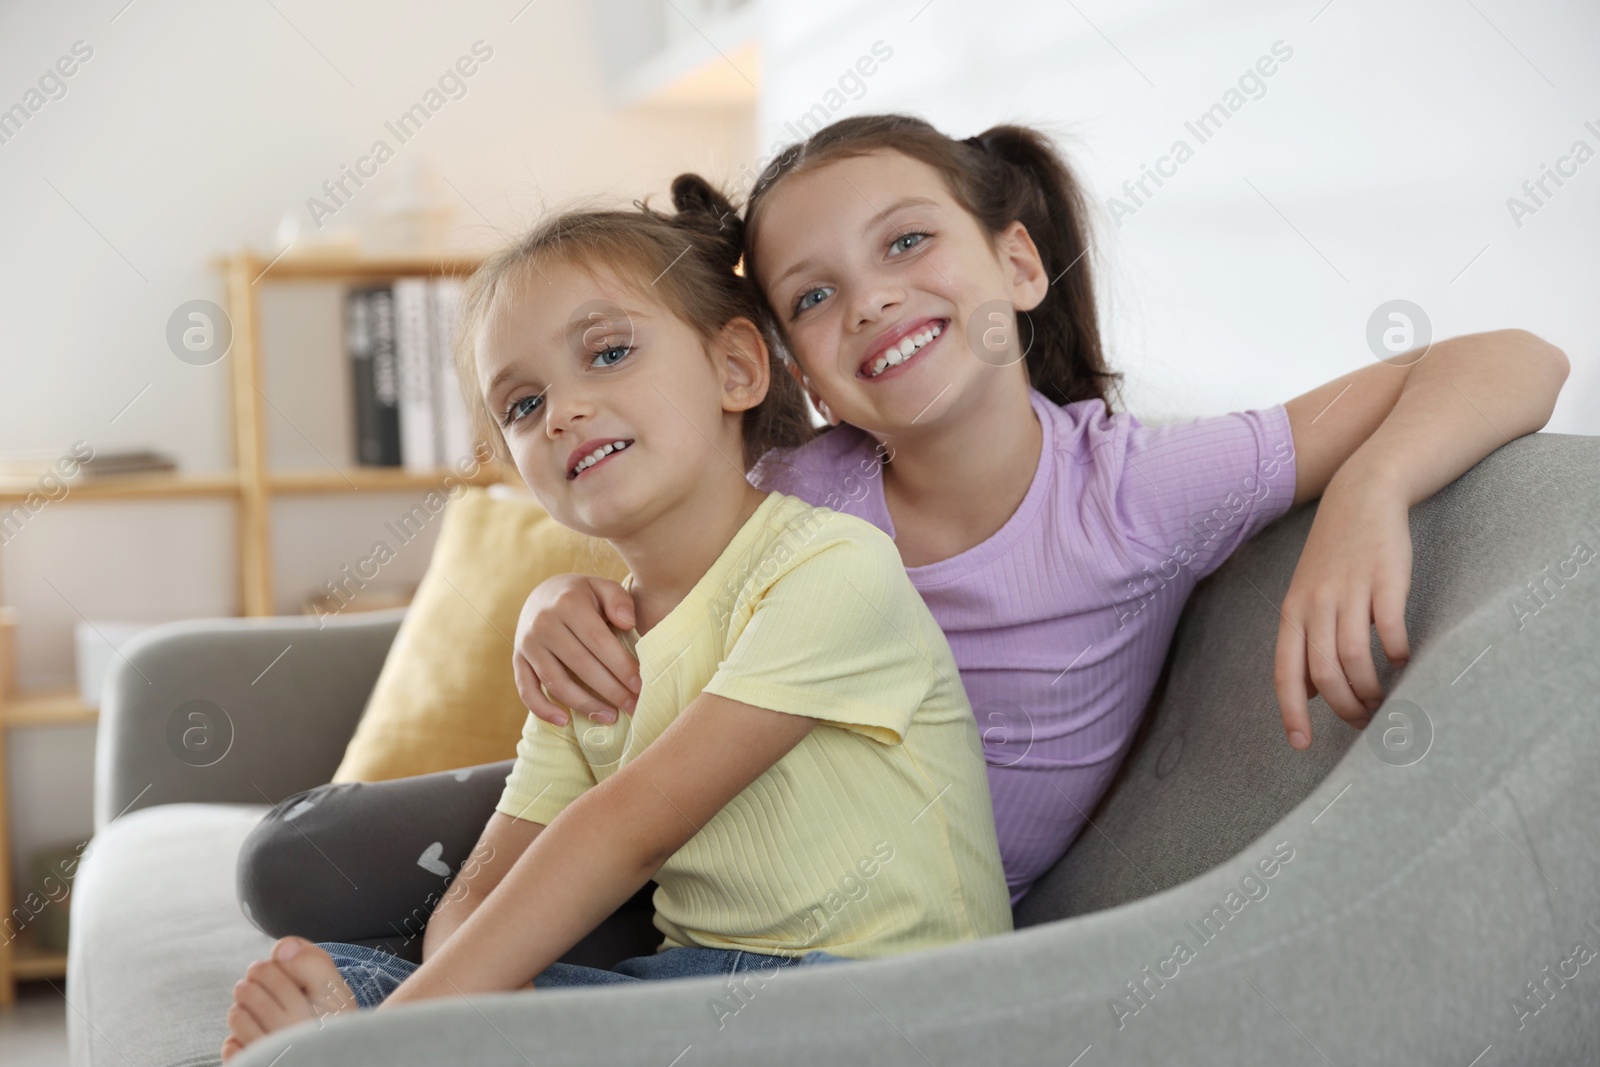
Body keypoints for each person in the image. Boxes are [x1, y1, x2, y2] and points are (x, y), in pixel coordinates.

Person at [234, 113, 1567, 954]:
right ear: (790, 357)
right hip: (707, 813)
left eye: (911, 242)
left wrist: (1370, 492)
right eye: (818, 292)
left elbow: (1517, 353)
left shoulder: (1143, 486)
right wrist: (549, 604)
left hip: (835, 905)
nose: (873, 302)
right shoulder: (814, 486)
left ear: (1019, 266)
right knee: (296, 858)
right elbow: (664, 548)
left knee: (391, 902)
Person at [220, 175, 1012, 1060]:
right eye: (522, 405)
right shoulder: (587, 646)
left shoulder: (832, 565)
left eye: (607, 353)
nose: (562, 411)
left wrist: (394, 1042)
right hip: (698, 990)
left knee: (370, 1017)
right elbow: (478, 901)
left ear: (736, 368)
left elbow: (627, 829)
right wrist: (463, 1016)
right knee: (353, 973)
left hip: (884, 1002)